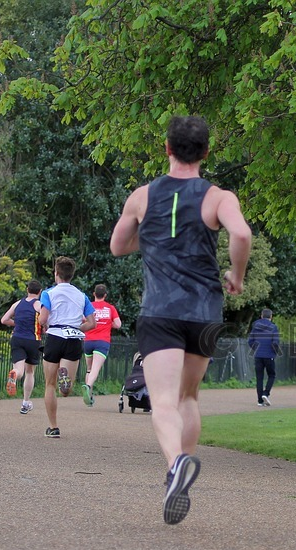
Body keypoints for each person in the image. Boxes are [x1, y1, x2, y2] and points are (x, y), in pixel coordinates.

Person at [110, 114, 252, 526]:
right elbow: (241, 235)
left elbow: (118, 245)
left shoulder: (142, 196)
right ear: (206, 152)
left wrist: (152, 238)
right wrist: (237, 276)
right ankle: (181, 474)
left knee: (163, 401)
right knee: (188, 397)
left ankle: (176, 466)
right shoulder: (218, 197)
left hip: (160, 311)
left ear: (167, 149)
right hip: (204, 312)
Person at [37, 256, 97, 439]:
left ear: (56, 273)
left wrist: (42, 319)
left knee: (50, 384)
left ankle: (53, 427)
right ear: (72, 275)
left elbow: (43, 319)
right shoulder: (82, 296)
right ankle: (65, 378)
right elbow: (92, 323)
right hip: (73, 338)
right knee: (66, 391)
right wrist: (77, 327)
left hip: (55, 336)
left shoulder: (48, 293)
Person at [0, 280, 43, 414]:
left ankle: (14, 374)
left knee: (19, 369)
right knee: (30, 372)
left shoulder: (17, 304)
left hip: (17, 338)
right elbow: (44, 320)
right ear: (40, 292)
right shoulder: (38, 305)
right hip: (33, 339)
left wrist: (17, 323)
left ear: (27, 290)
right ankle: (25, 402)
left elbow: (4, 320)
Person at [82, 284, 122, 407]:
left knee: (89, 369)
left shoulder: (89, 306)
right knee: (96, 369)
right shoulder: (110, 308)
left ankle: (89, 397)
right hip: (102, 342)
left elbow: (82, 319)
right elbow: (118, 324)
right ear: (105, 295)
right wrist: (108, 323)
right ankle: (88, 386)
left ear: (94, 294)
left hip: (88, 340)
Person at [248, 308, 281, 406]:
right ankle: (265, 393)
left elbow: (250, 341)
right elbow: (275, 342)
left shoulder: (255, 326)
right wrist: (276, 352)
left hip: (258, 355)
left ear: (261, 316)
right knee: (272, 375)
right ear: (271, 316)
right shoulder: (273, 327)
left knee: (259, 378)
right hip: (269, 355)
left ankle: (260, 401)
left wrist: (257, 349)